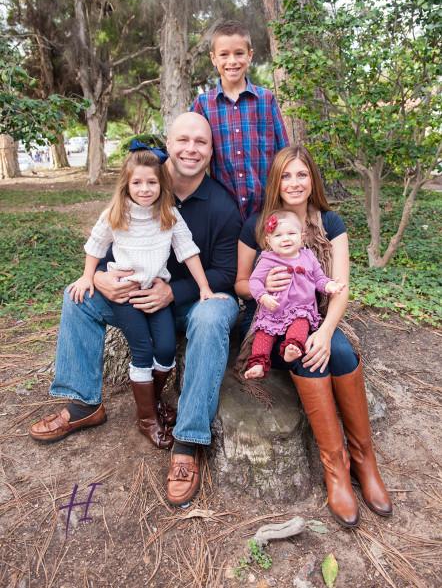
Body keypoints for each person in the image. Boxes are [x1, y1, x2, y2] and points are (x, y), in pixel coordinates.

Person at [29, 112, 241, 509]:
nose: (191, 149)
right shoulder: (137, 191)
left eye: (201, 142)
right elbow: (108, 246)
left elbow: (226, 272)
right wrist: (101, 279)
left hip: (191, 303)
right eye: (183, 140)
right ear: (168, 147)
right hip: (133, 298)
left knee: (213, 316)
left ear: (212, 152)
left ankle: (187, 440)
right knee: (77, 295)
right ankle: (83, 403)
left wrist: (172, 292)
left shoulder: (222, 206)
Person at [235, 146, 392, 528]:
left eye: (302, 174)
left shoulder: (331, 222)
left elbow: (340, 288)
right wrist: (262, 285)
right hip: (269, 319)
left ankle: (363, 459)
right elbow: (240, 283)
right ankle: (335, 468)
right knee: (306, 353)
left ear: (312, 180)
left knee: (339, 354)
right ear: (276, 181)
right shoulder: (258, 224)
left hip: (316, 315)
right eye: (286, 175)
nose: (294, 182)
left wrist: (325, 331)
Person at [68, 140, 226, 450]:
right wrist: (90, 276)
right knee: (142, 350)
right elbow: (96, 246)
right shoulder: (116, 213)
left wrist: (205, 288)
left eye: (151, 182)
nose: (144, 188)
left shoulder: (167, 214)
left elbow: (188, 251)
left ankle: (150, 403)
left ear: (161, 183)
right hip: (124, 294)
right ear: (126, 185)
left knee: (165, 349)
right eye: (137, 182)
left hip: (154, 292)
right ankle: (146, 418)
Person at [190, 20, 290, 221]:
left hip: (266, 209)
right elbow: (190, 152)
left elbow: (284, 154)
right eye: (224, 54)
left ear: (250, 56)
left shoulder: (266, 99)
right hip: (223, 212)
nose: (232, 61)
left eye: (239, 53)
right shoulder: (203, 104)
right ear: (213, 58)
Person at [245, 209, 346, 379]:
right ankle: (258, 364)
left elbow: (319, 279)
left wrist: (329, 286)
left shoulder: (308, 257)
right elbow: (254, 281)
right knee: (263, 335)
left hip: (301, 309)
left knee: (301, 325)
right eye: (278, 236)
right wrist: (263, 296)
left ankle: (292, 348)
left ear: (302, 237)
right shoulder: (268, 260)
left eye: (291, 233)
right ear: (269, 241)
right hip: (274, 310)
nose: (285, 239)